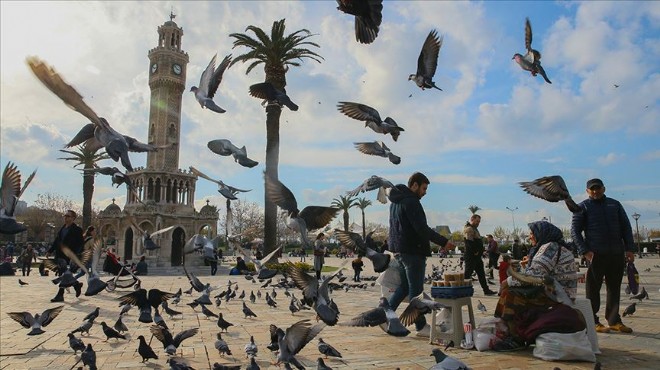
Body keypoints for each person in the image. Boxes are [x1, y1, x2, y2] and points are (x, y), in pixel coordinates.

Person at [493, 220, 580, 351]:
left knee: (511, 293)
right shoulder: (557, 247)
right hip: (558, 293)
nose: (530, 236)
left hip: (557, 297)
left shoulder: (550, 247)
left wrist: (508, 281)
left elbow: (534, 276)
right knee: (515, 289)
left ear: (542, 233)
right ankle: (512, 331)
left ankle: (516, 337)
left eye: (532, 233)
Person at [387, 172, 455, 337]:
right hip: (412, 252)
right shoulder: (411, 202)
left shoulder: (396, 202)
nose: (425, 192)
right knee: (416, 292)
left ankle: (385, 316)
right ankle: (420, 326)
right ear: (414, 185)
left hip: (399, 251)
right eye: (424, 188)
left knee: (404, 288)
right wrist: (444, 242)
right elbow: (421, 229)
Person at [571, 178, 635, 334]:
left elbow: (626, 227)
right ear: (587, 191)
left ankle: (614, 320)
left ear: (604, 189)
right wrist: (584, 251)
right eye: (592, 189)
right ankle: (592, 321)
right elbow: (575, 232)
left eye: (598, 188)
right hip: (595, 255)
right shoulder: (582, 207)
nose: (595, 191)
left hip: (616, 253)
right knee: (593, 289)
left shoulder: (614, 204)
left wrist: (629, 249)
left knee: (614, 288)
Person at [47, 210, 85, 302]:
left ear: (73, 218)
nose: (65, 218)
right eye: (65, 216)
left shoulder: (77, 230)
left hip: (69, 256)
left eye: (68, 216)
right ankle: (76, 285)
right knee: (64, 275)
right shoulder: (62, 229)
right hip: (60, 256)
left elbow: (80, 244)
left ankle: (60, 295)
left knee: (64, 275)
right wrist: (50, 251)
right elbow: (57, 241)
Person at [463, 214, 497, 296]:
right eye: (477, 221)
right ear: (472, 219)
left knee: (481, 273)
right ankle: (463, 290)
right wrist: (475, 251)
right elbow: (469, 242)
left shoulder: (474, 229)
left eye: (479, 222)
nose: (478, 223)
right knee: (468, 274)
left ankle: (486, 290)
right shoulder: (469, 229)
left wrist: (480, 252)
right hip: (471, 256)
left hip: (476, 256)